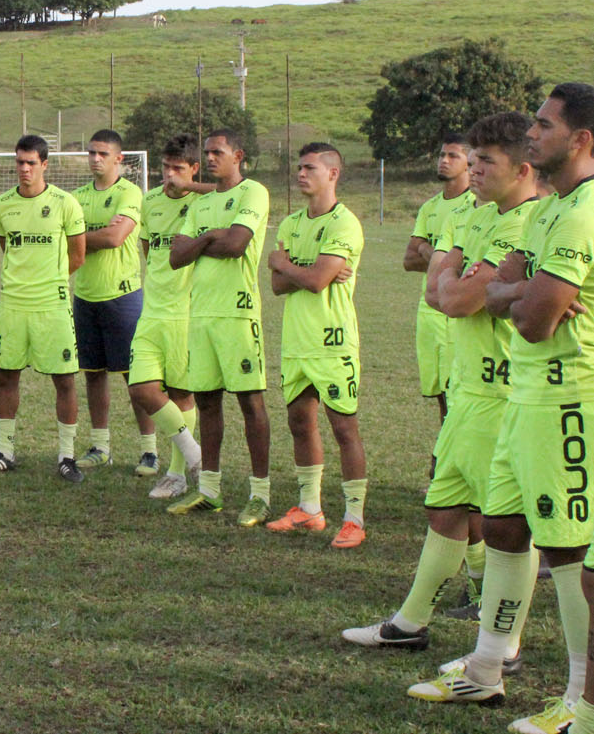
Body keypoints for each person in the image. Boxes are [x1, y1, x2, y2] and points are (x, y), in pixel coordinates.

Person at [411, 85, 594, 734]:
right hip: (522, 395)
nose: (531, 135)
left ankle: (582, 702)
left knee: (571, 550)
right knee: (505, 527)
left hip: (568, 397)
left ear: (579, 139)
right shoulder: (548, 210)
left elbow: (537, 320)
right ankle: (486, 667)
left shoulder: (582, 212)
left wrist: (517, 294)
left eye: (542, 125)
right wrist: (520, 290)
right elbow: (498, 296)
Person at [343, 113, 539, 692]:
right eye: (471, 159)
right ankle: (409, 624)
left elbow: (453, 298)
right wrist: (457, 276)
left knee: (504, 526)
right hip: (466, 388)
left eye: (486, 162)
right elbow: (438, 289)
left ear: (522, 169)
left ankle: (505, 650)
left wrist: (455, 275)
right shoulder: (474, 214)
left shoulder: (528, 226)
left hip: (501, 394)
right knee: (444, 507)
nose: (474, 170)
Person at [166, 129, 272, 526]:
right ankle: (209, 490)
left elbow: (237, 245)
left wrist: (206, 239)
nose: (210, 158)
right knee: (207, 402)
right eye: (207, 153)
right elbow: (177, 256)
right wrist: (213, 234)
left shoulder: (253, 193)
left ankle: (260, 494)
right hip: (202, 315)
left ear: (238, 155)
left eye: (218, 152)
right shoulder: (203, 202)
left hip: (238, 315)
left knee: (251, 404)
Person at [265, 143, 368, 547]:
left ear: (333, 174)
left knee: (344, 427)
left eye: (309, 168)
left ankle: (354, 518)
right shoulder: (290, 223)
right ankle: (310, 509)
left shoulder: (345, 224)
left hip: (333, 341)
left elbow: (314, 281)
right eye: (299, 167)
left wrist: (285, 264)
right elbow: (277, 286)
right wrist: (303, 271)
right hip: (296, 340)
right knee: (299, 423)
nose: (301, 174)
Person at [0, 135, 87, 482]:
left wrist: (47, 280)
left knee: (65, 379)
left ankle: (67, 456)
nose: (24, 169)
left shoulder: (66, 203)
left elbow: (78, 256)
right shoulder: (2, 205)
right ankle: (4, 451)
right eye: (19, 162)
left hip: (52, 306)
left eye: (31, 163)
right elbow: (7, 249)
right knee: (6, 376)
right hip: (12, 305)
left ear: (44, 165)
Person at [128, 135, 206, 500]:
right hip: (152, 310)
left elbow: (233, 190)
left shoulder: (206, 203)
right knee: (141, 387)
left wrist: (193, 187)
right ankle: (195, 457)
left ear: (194, 169)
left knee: (181, 394)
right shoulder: (150, 202)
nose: (170, 176)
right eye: (166, 167)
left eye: (179, 168)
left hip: (187, 313)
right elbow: (148, 250)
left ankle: (176, 475)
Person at [69, 130, 145, 472]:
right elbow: (65, 241)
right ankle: (100, 446)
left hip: (123, 297)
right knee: (93, 374)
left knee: (136, 376)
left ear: (119, 159)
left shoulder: (129, 192)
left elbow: (115, 237)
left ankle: (149, 449)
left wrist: (82, 237)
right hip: (85, 296)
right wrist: (90, 237)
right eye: (91, 153)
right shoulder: (76, 197)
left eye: (102, 153)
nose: (95, 159)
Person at [407, 135, 474, 424]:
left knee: (460, 391)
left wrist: (433, 256)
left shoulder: (477, 205)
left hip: (457, 309)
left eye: (453, 156)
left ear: (470, 163)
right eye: (442, 155)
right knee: (440, 395)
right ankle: (444, 454)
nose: (443, 161)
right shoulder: (430, 207)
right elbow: (409, 260)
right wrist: (429, 250)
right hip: (429, 310)